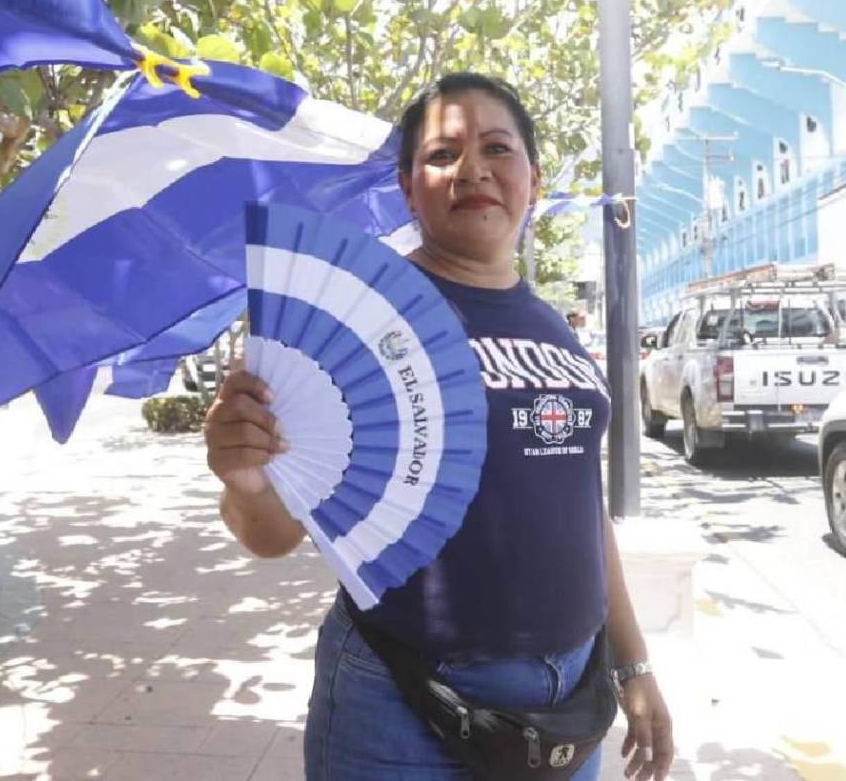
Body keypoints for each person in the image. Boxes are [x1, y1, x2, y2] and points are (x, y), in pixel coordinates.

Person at [204, 73, 674, 781]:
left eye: (497, 148)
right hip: (401, 702)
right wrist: (245, 481)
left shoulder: (554, 327)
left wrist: (633, 662)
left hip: (571, 699)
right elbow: (272, 534)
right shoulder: (355, 322)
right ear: (406, 186)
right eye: (443, 155)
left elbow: (583, 507)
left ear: (535, 180)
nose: (474, 170)